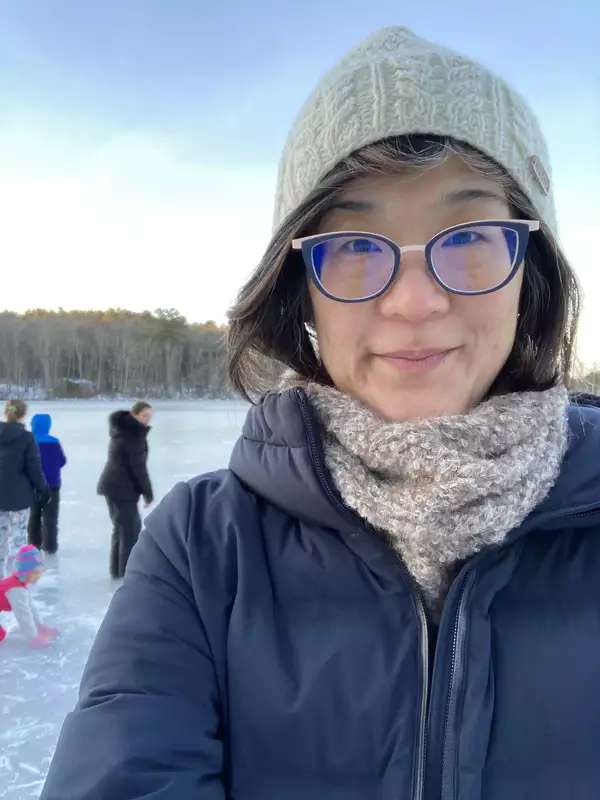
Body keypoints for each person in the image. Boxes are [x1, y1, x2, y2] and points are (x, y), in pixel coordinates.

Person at [42, 27, 600, 800]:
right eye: (355, 247)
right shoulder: (203, 550)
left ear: (530, 273)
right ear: (298, 290)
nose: (415, 301)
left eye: (469, 235)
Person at [96, 400, 154, 579]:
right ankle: (127, 573)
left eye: (150, 417)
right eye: (144, 416)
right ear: (134, 414)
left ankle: (118, 570)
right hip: (120, 488)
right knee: (129, 531)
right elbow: (138, 468)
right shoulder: (132, 435)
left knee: (121, 529)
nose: (147, 420)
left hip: (116, 487)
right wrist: (148, 493)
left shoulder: (124, 430)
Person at [0, 400, 49, 576]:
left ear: (6, 413)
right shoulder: (26, 437)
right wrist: (43, 488)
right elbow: (34, 467)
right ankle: (16, 580)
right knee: (18, 539)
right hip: (19, 498)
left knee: (1, 541)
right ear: (22, 415)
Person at [0, 544, 59, 647]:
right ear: (25, 572)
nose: (39, 576)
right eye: (35, 572)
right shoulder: (16, 590)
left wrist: (40, 626)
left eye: (39, 572)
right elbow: (23, 616)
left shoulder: (21, 585)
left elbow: (31, 607)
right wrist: (33, 638)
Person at [28, 413, 67, 554]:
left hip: (33, 486)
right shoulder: (54, 442)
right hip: (53, 485)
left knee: (34, 517)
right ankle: (50, 546)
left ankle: (33, 545)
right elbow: (62, 461)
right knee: (51, 518)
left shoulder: (30, 441)